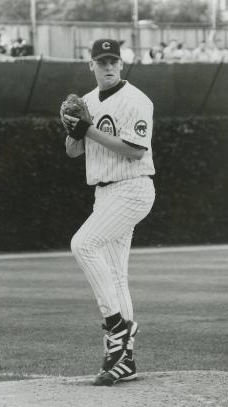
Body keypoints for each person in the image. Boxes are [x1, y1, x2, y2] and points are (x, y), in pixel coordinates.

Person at [61, 38, 155, 386]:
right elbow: (73, 152)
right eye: (102, 61)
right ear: (91, 65)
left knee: (83, 244)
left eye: (113, 60)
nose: (109, 66)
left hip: (133, 188)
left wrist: (88, 130)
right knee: (116, 276)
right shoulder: (85, 101)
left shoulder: (136, 100)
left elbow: (133, 151)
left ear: (121, 63)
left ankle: (116, 327)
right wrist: (73, 132)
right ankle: (125, 361)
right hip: (104, 194)